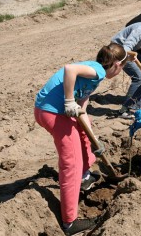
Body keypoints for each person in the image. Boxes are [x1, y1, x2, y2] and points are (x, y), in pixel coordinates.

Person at [34, 43, 130, 235]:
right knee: (71, 163)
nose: (121, 72)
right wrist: (69, 100)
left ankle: (85, 176)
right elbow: (70, 69)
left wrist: (96, 140)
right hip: (51, 113)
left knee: (84, 135)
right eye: (123, 69)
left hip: (58, 111)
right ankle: (70, 223)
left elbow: (82, 110)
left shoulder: (93, 78)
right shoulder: (97, 71)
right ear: (117, 65)